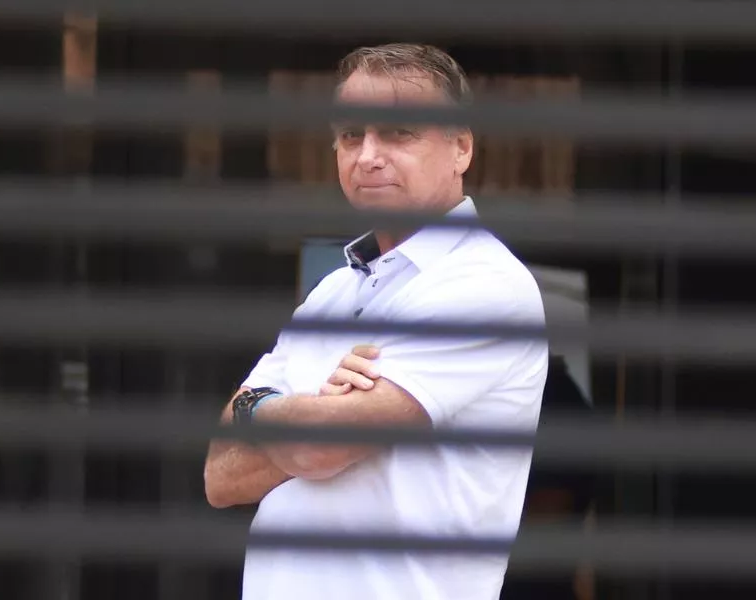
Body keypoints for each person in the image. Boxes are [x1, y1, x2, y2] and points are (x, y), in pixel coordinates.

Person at [203, 43, 549, 600]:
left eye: (398, 133)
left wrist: (260, 409)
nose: (367, 155)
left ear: (461, 147)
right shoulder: (333, 293)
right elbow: (222, 477)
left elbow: (321, 449)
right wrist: (300, 409)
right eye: (350, 135)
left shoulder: (484, 285)